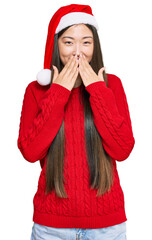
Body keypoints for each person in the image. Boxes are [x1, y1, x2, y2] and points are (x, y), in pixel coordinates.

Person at [17, 3, 135, 240]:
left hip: (107, 227)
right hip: (51, 228)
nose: (77, 51)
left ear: (95, 46)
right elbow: (30, 152)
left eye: (86, 42)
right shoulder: (36, 91)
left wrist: (97, 89)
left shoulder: (112, 86)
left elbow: (122, 149)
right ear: (56, 45)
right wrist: (59, 92)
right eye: (69, 42)